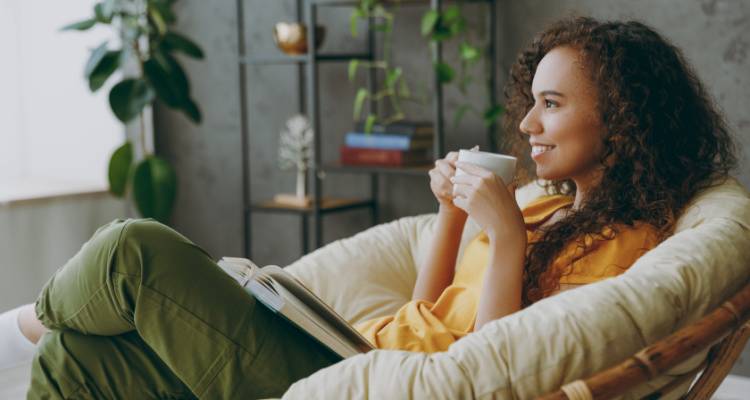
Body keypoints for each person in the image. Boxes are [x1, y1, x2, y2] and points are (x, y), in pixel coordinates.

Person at [0, 16, 737, 399]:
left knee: (134, 251)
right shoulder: (549, 205)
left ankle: (13, 332)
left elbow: (502, 367)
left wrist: (503, 235)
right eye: (531, 103)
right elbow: (429, 313)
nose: (526, 125)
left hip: (350, 380)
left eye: (551, 105)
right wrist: (452, 215)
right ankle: (42, 335)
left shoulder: (624, 244)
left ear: (621, 118)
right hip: (353, 348)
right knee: (81, 354)